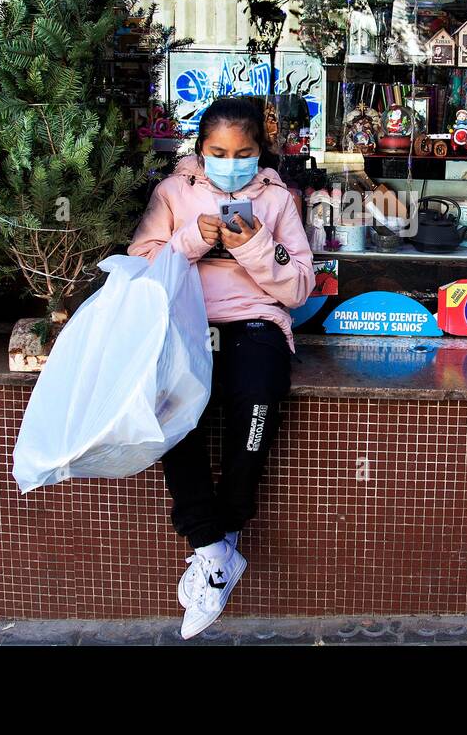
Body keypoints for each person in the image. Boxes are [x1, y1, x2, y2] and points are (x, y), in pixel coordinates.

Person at [127, 98, 314, 639]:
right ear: (200, 149)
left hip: (254, 321)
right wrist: (192, 240)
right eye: (218, 152)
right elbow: (140, 265)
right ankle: (210, 546)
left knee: (257, 400)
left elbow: (299, 286)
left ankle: (227, 529)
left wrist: (256, 246)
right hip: (185, 319)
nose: (231, 162)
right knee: (175, 409)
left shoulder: (279, 199)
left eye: (244, 153)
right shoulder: (172, 193)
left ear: (260, 153)